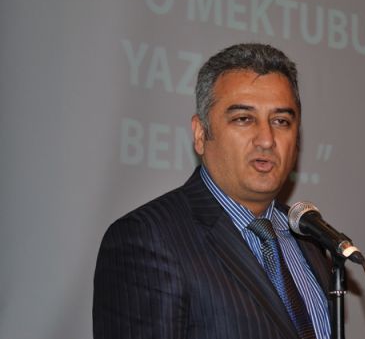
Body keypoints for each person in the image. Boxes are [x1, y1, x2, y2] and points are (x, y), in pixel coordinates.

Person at [93, 43, 331, 338]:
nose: (267, 140)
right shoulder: (146, 238)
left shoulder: (310, 239)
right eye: (243, 119)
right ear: (200, 133)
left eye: (281, 121)